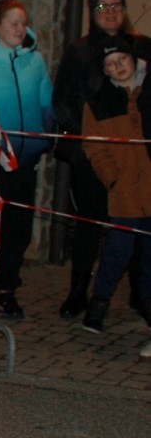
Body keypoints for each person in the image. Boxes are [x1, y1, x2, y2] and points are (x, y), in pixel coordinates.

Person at [53, 0, 151, 319]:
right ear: (92, 12)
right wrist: (87, 142)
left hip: (139, 158)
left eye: (116, 6)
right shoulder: (80, 51)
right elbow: (62, 101)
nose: (110, 12)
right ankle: (79, 290)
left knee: (140, 227)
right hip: (93, 153)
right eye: (102, 6)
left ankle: (141, 294)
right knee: (90, 224)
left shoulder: (141, 46)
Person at [0, 0, 55, 320]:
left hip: (26, 159)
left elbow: (46, 105)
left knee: (18, 227)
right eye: (13, 23)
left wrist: (47, 136)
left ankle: (7, 289)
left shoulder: (35, 62)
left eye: (23, 23)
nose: (20, 29)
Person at [79, 39, 151, 333]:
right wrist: (113, 177)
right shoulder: (98, 103)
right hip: (125, 189)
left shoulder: (147, 93)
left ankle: (147, 304)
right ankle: (99, 302)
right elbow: (94, 147)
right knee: (117, 250)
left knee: (149, 253)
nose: (117, 67)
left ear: (134, 60)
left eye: (122, 60)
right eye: (110, 64)